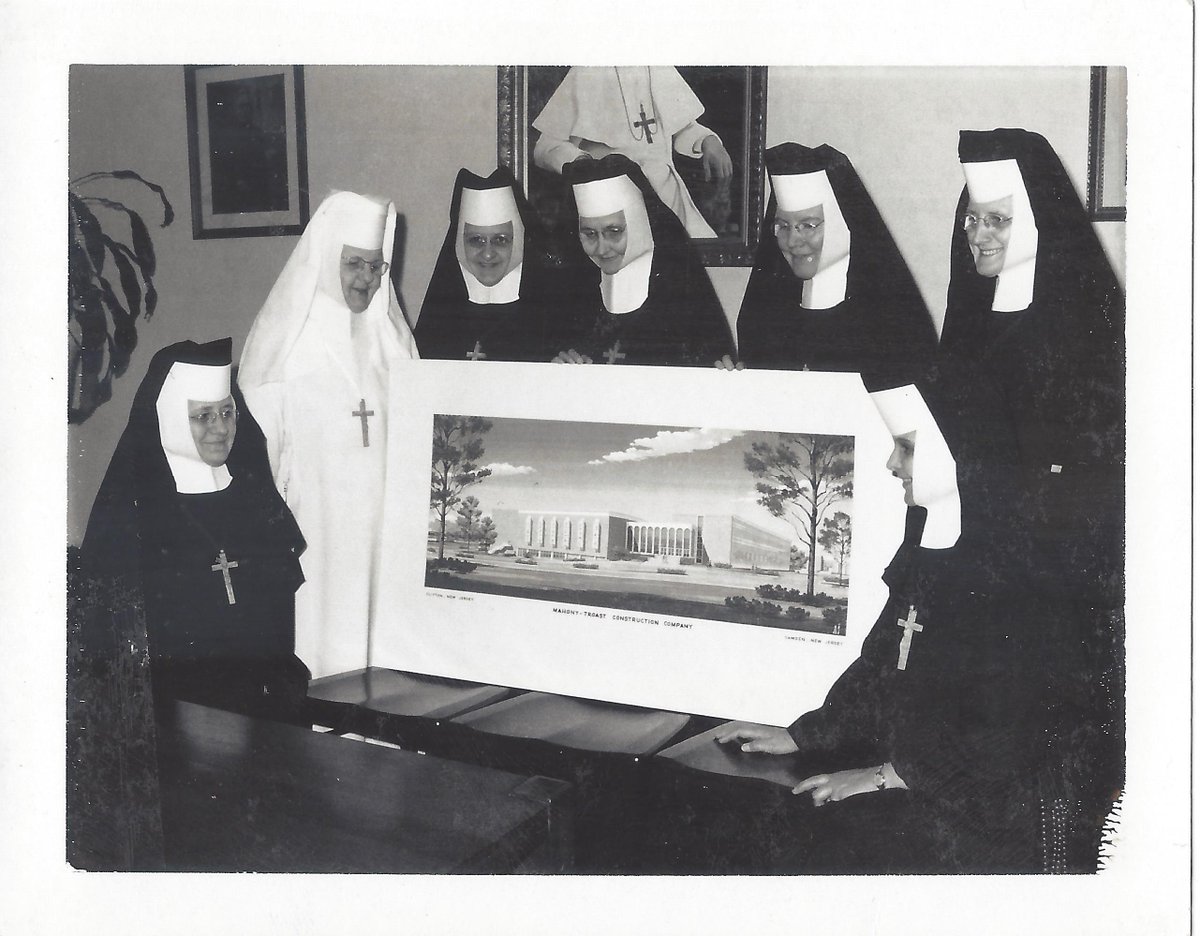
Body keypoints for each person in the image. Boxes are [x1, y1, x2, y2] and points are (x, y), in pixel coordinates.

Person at [716, 369, 1049, 873]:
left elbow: (1006, 727)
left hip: (981, 811)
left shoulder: (1017, 570)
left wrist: (888, 776)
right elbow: (882, 663)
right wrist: (805, 735)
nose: (892, 463)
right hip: (914, 773)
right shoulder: (928, 540)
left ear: (958, 453)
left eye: (906, 448)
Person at [942, 129, 1125, 866]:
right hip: (981, 562)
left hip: (1059, 587)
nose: (976, 234)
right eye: (970, 218)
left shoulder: (1090, 324)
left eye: (997, 220)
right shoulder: (972, 314)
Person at [79, 338, 310, 723]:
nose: (220, 429)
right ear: (171, 418)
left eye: (227, 412)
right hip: (171, 711)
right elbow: (116, 649)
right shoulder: (134, 514)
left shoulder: (254, 502)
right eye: (203, 416)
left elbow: (278, 626)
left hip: (259, 707)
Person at [239, 191, 418, 679]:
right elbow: (259, 464)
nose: (366, 279)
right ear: (324, 260)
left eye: (376, 267)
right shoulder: (284, 346)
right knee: (322, 656)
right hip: (314, 536)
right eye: (353, 263)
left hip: (384, 539)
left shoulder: (392, 342)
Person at [735, 143, 936, 383]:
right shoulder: (764, 316)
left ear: (843, 223)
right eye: (783, 226)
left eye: (808, 225)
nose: (792, 241)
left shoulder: (894, 321)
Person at [552, 154, 734, 367]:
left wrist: (722, 371)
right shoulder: (574, 294)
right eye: (590, 234)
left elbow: (708, 365)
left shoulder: (683, 296)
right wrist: (560, 367)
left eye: (614, 231)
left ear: (638, 224)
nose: (601, 248)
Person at [532, 66, 733, 239]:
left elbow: (681, 126)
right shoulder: (587, 71)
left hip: (666, 196)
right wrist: (582, 161)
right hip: (613, 199)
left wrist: (708, 141)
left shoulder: (656, 66)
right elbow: (547, 146)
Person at [414, 167, 589, 362]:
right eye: (476, 240)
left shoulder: (553, 318)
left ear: (518, 243)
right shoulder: (439, 318)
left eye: (501, 240)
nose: (488, 253)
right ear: (460, 245)